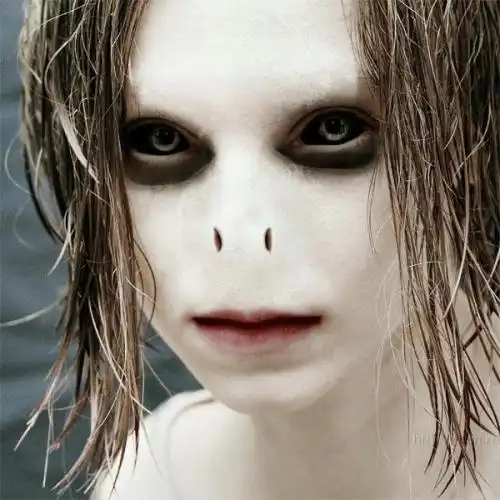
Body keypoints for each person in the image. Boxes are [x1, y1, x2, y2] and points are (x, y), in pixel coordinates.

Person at [18, 0, 500, 498]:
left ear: (474, 148)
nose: (239, 233)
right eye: (159, 140)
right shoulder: (152, 480)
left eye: (333, 129)